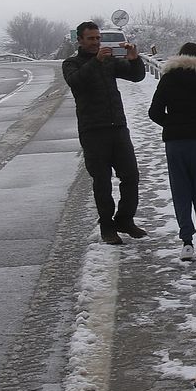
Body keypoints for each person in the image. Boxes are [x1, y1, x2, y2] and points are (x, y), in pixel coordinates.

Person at [62, 21, 147, 245]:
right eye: (91, 39)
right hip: (93, 130)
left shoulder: (109, 61)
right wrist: (96, 62)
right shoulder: (72, 63)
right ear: (80, 40)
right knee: (102, 181)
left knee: (131, 176)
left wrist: (134, 59)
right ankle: (107, 227)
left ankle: (125, 220)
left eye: (98, 38)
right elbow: (76, 83)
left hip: (117, 127)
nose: (96, 42)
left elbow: (136, 76)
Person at [148, 42, 196, 261]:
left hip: (175, 142)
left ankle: (186, 242)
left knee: (180, 190)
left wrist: (171, 124)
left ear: (179, 56)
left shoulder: (169, 77)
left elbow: (154, 112)